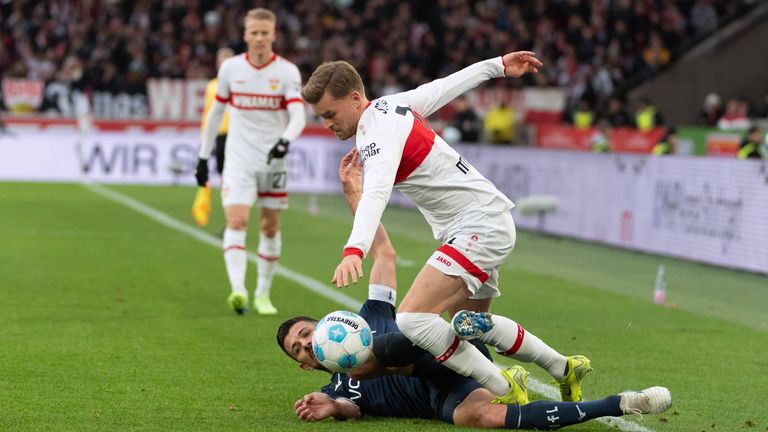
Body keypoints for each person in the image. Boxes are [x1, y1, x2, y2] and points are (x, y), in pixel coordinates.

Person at [277, 152, 672, 427]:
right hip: (445, 395)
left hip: (442, 351)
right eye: (300, 349)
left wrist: (353, 192)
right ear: (305, 367)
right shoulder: (335, 386)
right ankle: (619, 404)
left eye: (306, 334)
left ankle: (481, 326)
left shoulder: (367, 321)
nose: (307, 344)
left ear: (329, 322)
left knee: (403, 337)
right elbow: (352, 408)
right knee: (486, 418)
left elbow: (384, 255)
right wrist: (332, 406)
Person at [300, 52, 595, 406]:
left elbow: (378, 192)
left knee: (411, 319)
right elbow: (442, 88)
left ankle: (503, 386)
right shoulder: (390, 106)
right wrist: (498, 65)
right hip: (484, 220)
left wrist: (354, 250)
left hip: (478, 226)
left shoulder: (375, 134)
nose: (327, 123)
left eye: (330, 114)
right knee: (466, 324)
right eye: (321, 117)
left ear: (353, 98)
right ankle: (564, 367)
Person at [195, 8, 306, 315]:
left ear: (273, 35)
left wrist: (285, 140)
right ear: (245, 35)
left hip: (273, 162)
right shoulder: (231, 69)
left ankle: (263, 294)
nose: (259, 38)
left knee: (269, 227)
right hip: (238, 160)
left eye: (264, 33)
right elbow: (215, 114)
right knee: (237, 221)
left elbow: (298, 114)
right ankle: (239, 290)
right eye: (253, 32)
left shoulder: (286, 72)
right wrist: (203, 156)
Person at [201, 47, 235, 176]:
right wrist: (204, 134)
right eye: (221, 62)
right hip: (219, 133)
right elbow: (207, 112)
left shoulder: (240, 84)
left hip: (237, 133)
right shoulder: (212, 86)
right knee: (222, 170)